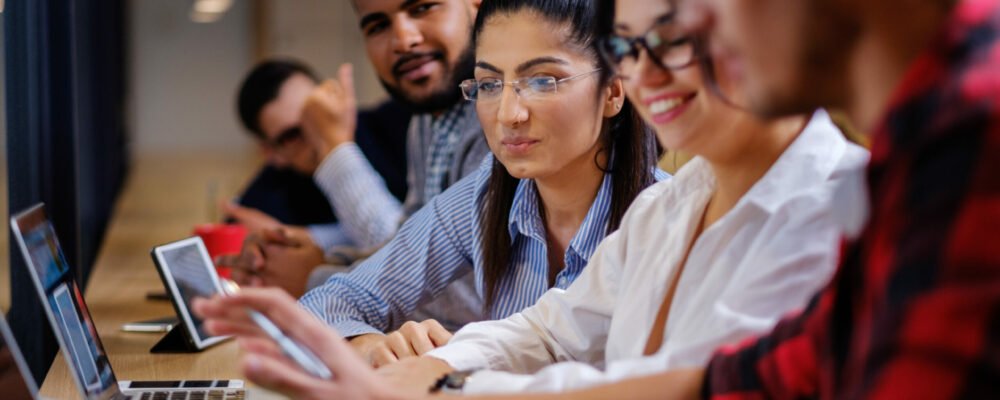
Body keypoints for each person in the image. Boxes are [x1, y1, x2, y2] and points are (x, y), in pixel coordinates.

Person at [191, 0, 872, 398]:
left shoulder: (842, 207)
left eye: (676, 37)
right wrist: (424, 366)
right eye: (631, 45)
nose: (649, 71)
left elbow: (679, 384)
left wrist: (441, 387)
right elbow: (551, 327)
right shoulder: (675, 204)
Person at [299, 0, 666, 367]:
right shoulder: (484, 196)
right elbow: (326, 304)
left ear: (613, 91)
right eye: (489, 84)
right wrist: (367, 345)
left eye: (542, 81)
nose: (508, 114)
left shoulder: (668, 221)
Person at [227, 0, 492, 320]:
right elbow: (407, 244)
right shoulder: (427, 118)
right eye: (378, 26)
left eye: (423, 8)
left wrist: (335, 151)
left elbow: (479, 292)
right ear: (271, 153)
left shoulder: (498, 114)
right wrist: (322, 258)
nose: (403, 40)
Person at [226, 59, 409, 240]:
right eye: (293, 134)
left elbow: (406, 243)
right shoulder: (268, 196)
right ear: (271, 153)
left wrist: (303, 238)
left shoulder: (401, 124)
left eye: (317, 112)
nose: (316, 130)